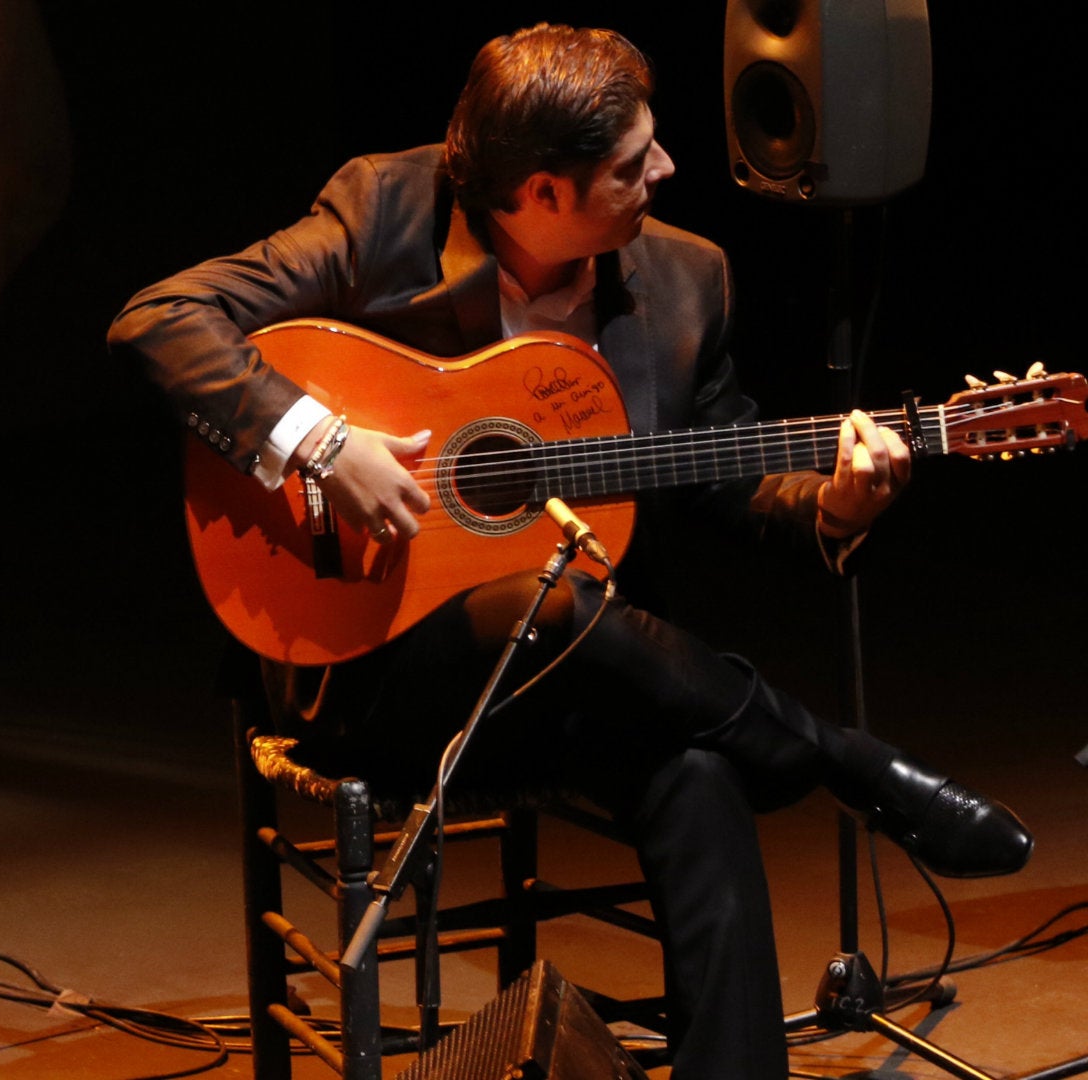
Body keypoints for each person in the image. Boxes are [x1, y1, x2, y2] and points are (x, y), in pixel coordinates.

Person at [108, 24, 1031, 1079]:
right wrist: (324, 444)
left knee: (698, 766)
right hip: (379, 671)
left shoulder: (688, 282)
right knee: (544, 601)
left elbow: (733, 476)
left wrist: (838, 499)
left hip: (595, 677)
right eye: (636, 165)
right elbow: (161, 316)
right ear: (544, 192)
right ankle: (845, 760)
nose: (669, 173)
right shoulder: (384, 212)